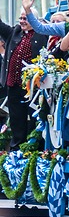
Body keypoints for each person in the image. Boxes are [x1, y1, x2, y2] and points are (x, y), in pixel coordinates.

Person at [0, 8, 48, 150]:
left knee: (34, 118)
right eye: (20, 18)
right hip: (13, 84)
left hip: (33, 87)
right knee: (16, 118)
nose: (22, 21)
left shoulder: (42, 34)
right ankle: (16, 148)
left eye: (25, 18)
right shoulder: (15, 32)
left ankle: (35, 147)